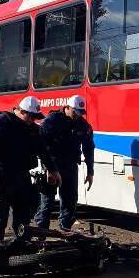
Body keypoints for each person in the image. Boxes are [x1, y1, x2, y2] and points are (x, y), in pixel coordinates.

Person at [0, 96, 61, 244]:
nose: (33, 120)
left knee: (23, 217)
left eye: (35, 117)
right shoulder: (1, 122)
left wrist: (53, 170)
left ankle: (21, 249)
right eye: (30, 116)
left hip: (22, 176)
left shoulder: (33, 129)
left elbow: (43, 150)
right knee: (0, 217)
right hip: (2, 175)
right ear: (20, 111)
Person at [34, 94, 94, 231]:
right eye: (75, 112)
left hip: (70, 166)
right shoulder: (52, 120)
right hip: (52, 165)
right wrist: (48, 168)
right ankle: (41, 233)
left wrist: (90, 172)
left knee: (70, 200)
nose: (77, 116)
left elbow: (88, 148)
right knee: (47, 201)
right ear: (67, 107)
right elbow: (42, 145)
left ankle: (65, 231)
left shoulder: (83, 125)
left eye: (80, 113)